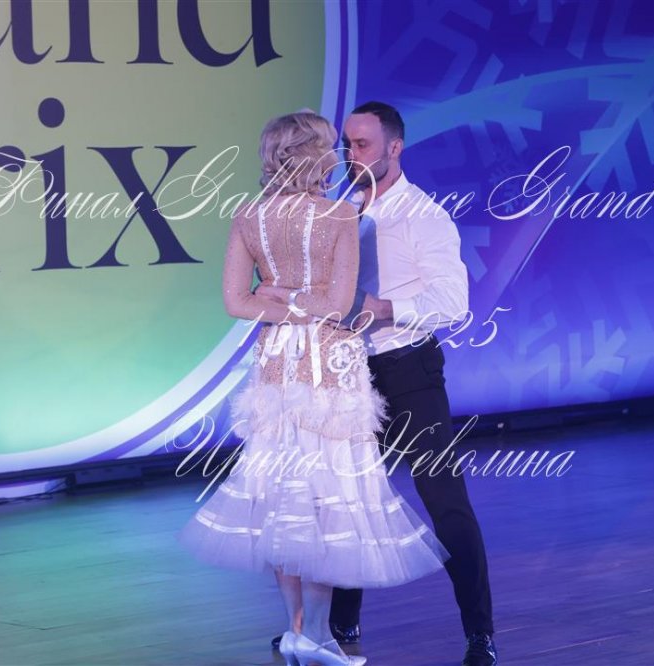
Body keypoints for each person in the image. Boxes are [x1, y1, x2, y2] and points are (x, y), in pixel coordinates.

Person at [179, 110, 450, 666]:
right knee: (328, 497)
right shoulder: (339, 215)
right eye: (330, 146)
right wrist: (304, 303)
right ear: (313, 155)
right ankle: (319, 636)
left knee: (286, 495)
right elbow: (337, 304)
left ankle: (299, 630)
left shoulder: (249, 216)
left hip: (277, 366)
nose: (338, 157)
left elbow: (237, 302)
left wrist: (279, 297)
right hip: (330, 368)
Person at [264, 101, 499, 666]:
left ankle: (479, 633)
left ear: (395, 147)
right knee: (343, 501)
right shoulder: (336, 209)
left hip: (407, 370)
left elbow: (453, 302)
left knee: (445, 501)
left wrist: (383, 308)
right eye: (346, 144)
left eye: (363, 144)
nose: (351, 155)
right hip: (345, 372)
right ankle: (336, 628)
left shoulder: (424, 216)